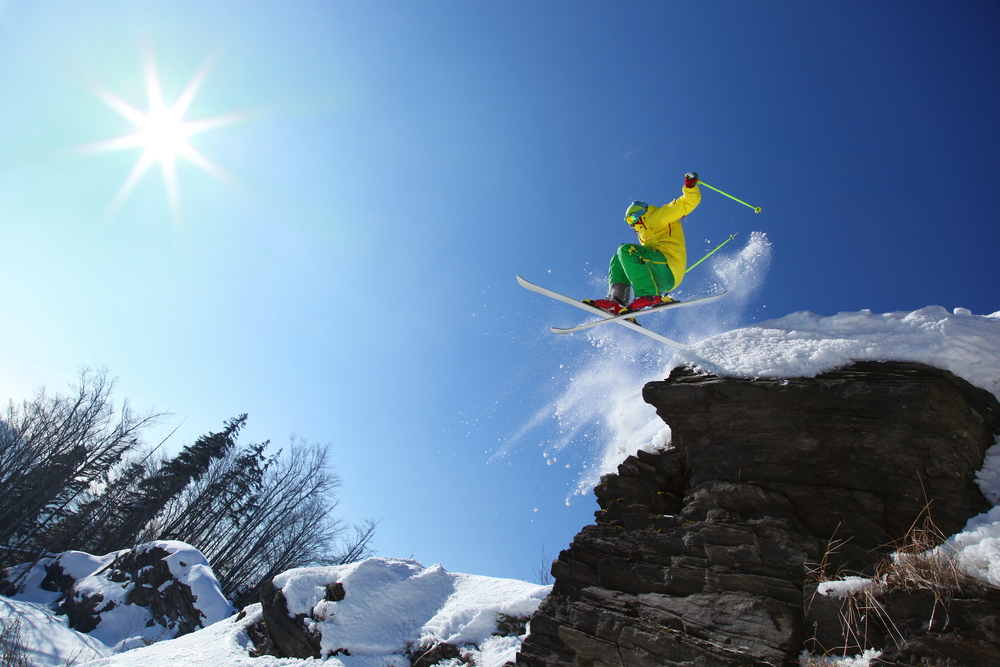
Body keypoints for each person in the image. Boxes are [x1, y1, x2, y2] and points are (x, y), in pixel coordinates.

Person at [584, 172, 701, 315]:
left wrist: (690, 186)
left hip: (670, 266)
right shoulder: (643, 235)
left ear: (640, 213)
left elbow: (687, 202)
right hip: (659, 273)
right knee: (618, 259)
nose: (631, 225)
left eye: (632, 219)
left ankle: (648, 295)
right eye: (628, 222)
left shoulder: (659, 215)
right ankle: (616, 301)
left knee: (626, 250)